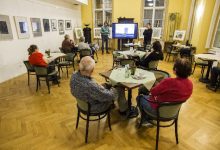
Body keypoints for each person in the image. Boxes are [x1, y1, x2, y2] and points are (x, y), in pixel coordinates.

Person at [136, 58, 193, 126]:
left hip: (158, 110)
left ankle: (145, 120)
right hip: (173, 112)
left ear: (176, 70)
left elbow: (153, 92)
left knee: (140, 97)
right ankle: (148, 117)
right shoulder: (190, 84)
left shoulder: (169, 82)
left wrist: (157, 84)